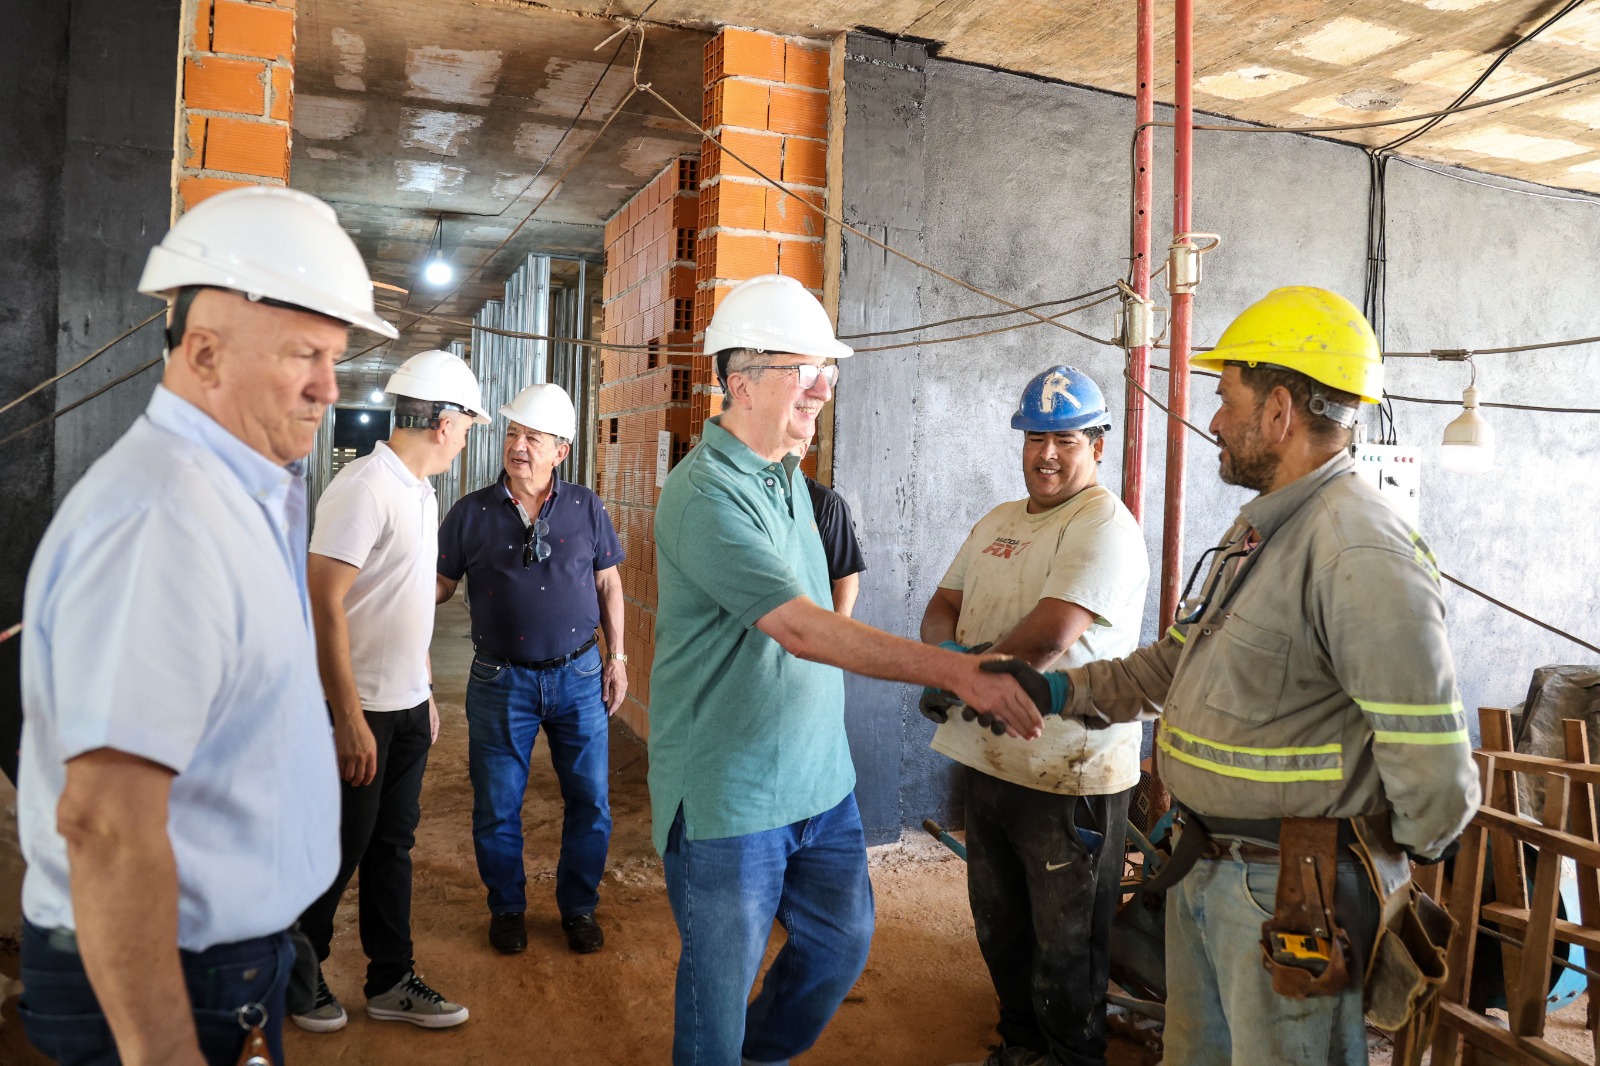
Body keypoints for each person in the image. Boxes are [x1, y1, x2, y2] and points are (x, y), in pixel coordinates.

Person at [16, 186, 396, 1065]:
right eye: (306, 354)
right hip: (163, 971)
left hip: (224, 967)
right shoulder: (163, 518)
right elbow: (106, 824)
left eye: (334, 357)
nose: (327, 388)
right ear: (205, 352)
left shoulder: (242, 491)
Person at [1053, 287, 1479, 1065]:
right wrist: (1062, 692)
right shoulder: (1260, 530)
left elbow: (1434, 763)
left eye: (1227, 398)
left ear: (1279, 412)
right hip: (1211, 871)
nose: (1214, 420)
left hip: (1295, 893)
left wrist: (1386, 859)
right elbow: (1178, 662)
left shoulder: (1358, 549)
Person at [650, 273, 1052, 1066]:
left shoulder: (790, 481)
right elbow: (801, 629)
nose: (823, 392)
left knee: (839, 945)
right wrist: (953, 670)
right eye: (807, 375)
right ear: (742, 382)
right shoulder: (703, 495)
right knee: (716, 991)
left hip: (818, 780)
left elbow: (826, 613)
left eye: (829, 377)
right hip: (731, 795)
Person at [921, 365, 1149, 1066]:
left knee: (1067, 950)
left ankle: (1070, 1058)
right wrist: (954, 661)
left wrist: (964, 673)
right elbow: (940, 609)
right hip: (989, 761)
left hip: (1070, 776)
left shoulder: (1103, 524)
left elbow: (1053, 632)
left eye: (1065, 439)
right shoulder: (998, 521)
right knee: (1001, 930)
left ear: (1098, 447)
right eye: (1034, 437)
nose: (1046, 454)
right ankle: (1018, 1049)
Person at [291, 350, 490, 1033]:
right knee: (339, 845)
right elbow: (324, 604)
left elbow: (404, 604)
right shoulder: (364, 487)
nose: (468, 435)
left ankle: (389, 978)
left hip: (403, 705)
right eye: (465, 422)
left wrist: (424, 689)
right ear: (441, 421)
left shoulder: (420, 490)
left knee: (391, 846)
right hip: (359, 711)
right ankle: (297, 971)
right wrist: (347, 717)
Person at [436, 382, 627, 956]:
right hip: (500, 680)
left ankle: (579, 908)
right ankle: (508, 908)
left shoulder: (586, 506)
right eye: (512, 434)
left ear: (560, 451)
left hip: (578, 674)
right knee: (497, 803)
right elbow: (438, 588)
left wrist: (617, 657)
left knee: (590, 800)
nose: (519, 446)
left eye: (533, 438)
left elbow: (609, 582)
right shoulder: (470, 512)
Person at [804, 467, 866, 616]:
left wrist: (836, 634)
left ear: (802, 449)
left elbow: (846, 580)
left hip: (810, 624)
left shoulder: (828, 503)